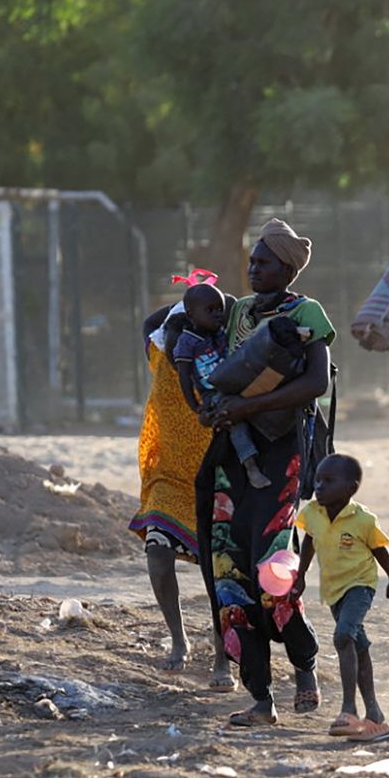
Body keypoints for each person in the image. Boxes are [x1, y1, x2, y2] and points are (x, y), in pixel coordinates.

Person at [196, 218, 333, 722]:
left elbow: (316, 383)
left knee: (273, 572)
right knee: (230, 574)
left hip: (282, 454)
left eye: (264, 262)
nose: (253, 269)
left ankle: (304, 666)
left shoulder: (307, 313)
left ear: (288, 268)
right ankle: (260, 698)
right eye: (252, 261)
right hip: (234, 456)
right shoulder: (238, 314)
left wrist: (246, 410)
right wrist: (215, 409)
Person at [131, 290, 231, 685]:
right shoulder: (158, 355)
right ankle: (179, 640)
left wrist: (213, 299)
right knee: (157, 552)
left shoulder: (217, 362)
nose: (178, 348)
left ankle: (223, 656)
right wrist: (186, 300)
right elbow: (148, 324)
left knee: (218, 573)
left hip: (216, 476)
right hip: (168, 477)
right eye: (174, 336)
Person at [295, 454, 389, 739]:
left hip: (360, 584)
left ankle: (348, 710)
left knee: (343, 637)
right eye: (317, 479)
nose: (319, 486)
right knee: (358, 645)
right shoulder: (312, 512)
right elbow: (309, 542)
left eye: (328, 481)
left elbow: (379, 549)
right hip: (333, 589)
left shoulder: (363, 519)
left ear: (351, 488)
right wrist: (301, 575)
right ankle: (375, 714)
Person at [173, 282, 282, 490]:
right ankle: (251, 466)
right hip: (213, 394)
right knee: (235, 422)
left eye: (220, 310)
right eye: (210, 310)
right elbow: (184, 378)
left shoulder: (222, 332)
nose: (217, 315)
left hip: (236, 383)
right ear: (191, 315)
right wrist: (196, 407)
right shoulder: (186, 342)